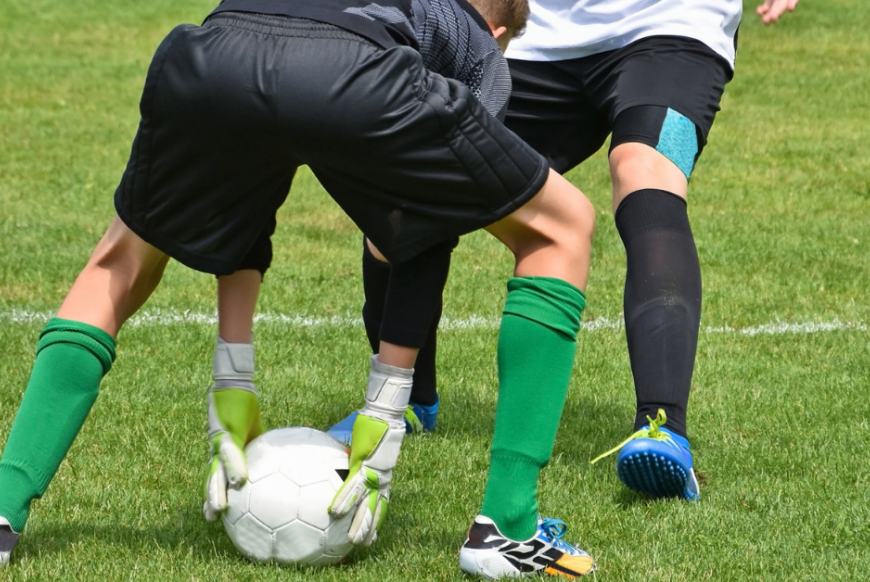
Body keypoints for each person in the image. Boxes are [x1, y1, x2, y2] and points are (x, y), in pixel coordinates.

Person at [0, 0, 599, 577]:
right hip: (353, 71)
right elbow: (425, 227)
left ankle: (3, 507)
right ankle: (508, 527)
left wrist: (233, 385)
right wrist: (386, 415)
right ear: (501, 32)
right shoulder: (475, 38)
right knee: (561, 227)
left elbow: (248, 192)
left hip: (215, 52)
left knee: (120, 261)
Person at [344, 0, 800, 503]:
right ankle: (407, 400)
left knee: (645, 174)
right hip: (537, 36)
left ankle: (662, 427)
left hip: (674, 25)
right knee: (416, 182)